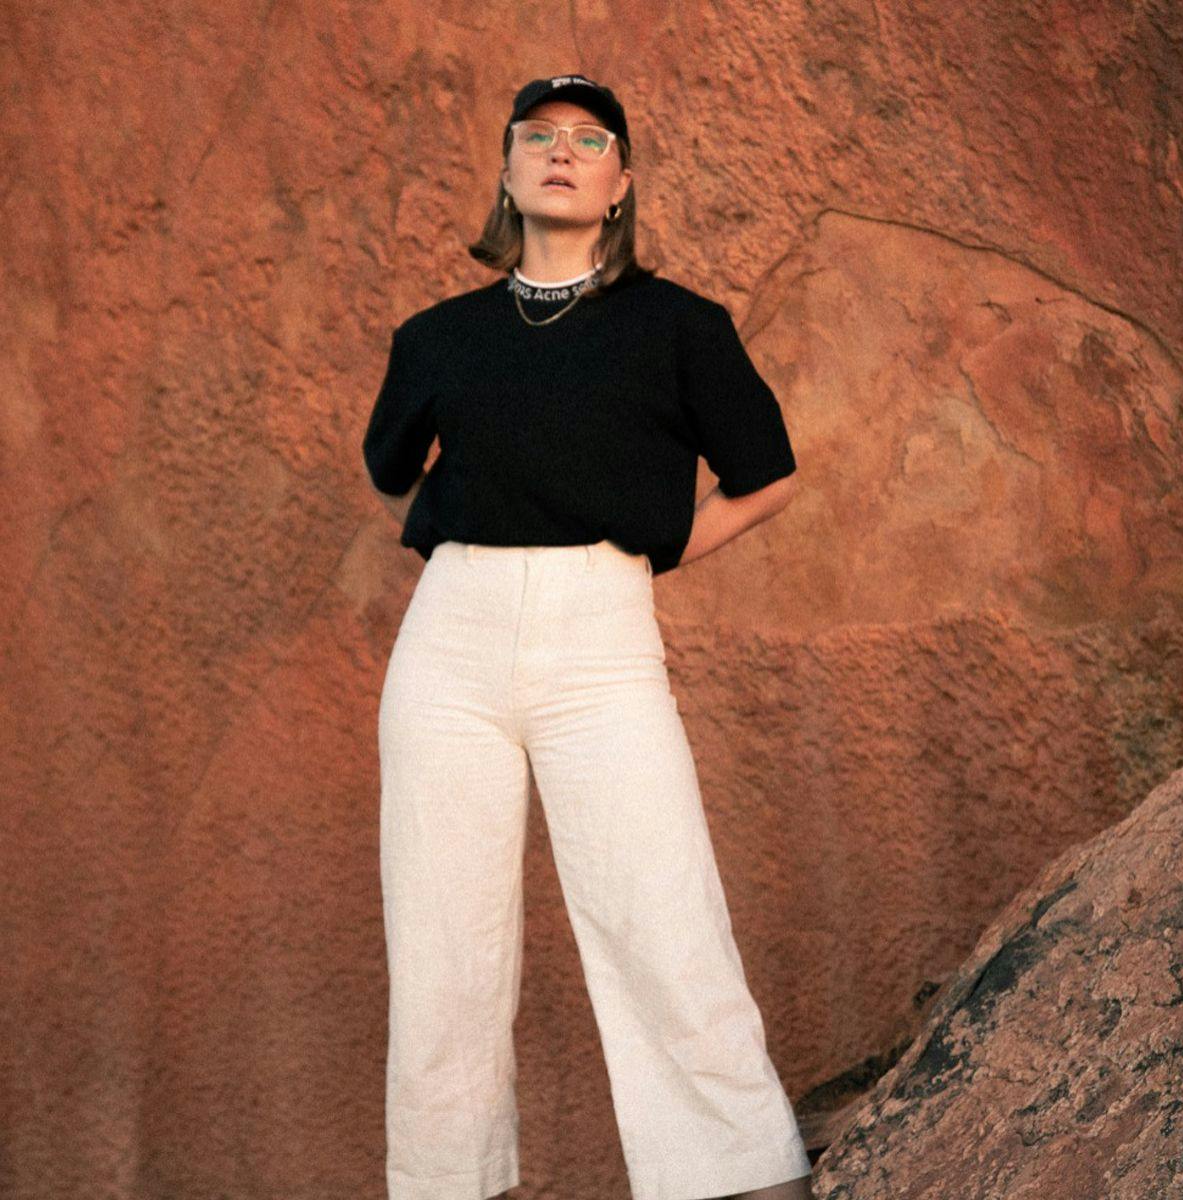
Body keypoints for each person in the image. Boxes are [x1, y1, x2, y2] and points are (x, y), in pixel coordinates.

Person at [362, 74, 814, 1200]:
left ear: (620, 185)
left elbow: (768, 478)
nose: (561, 153)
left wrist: (647, 552)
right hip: (450, 645)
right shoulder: (437, 337)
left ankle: (739, 1176)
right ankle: (444, 1183)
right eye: (537, 138)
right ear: (508, 174)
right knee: (441, 952)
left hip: (599, 635)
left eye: (589, 141)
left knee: (659, 914)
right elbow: (389, 474)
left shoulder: (679, 328)